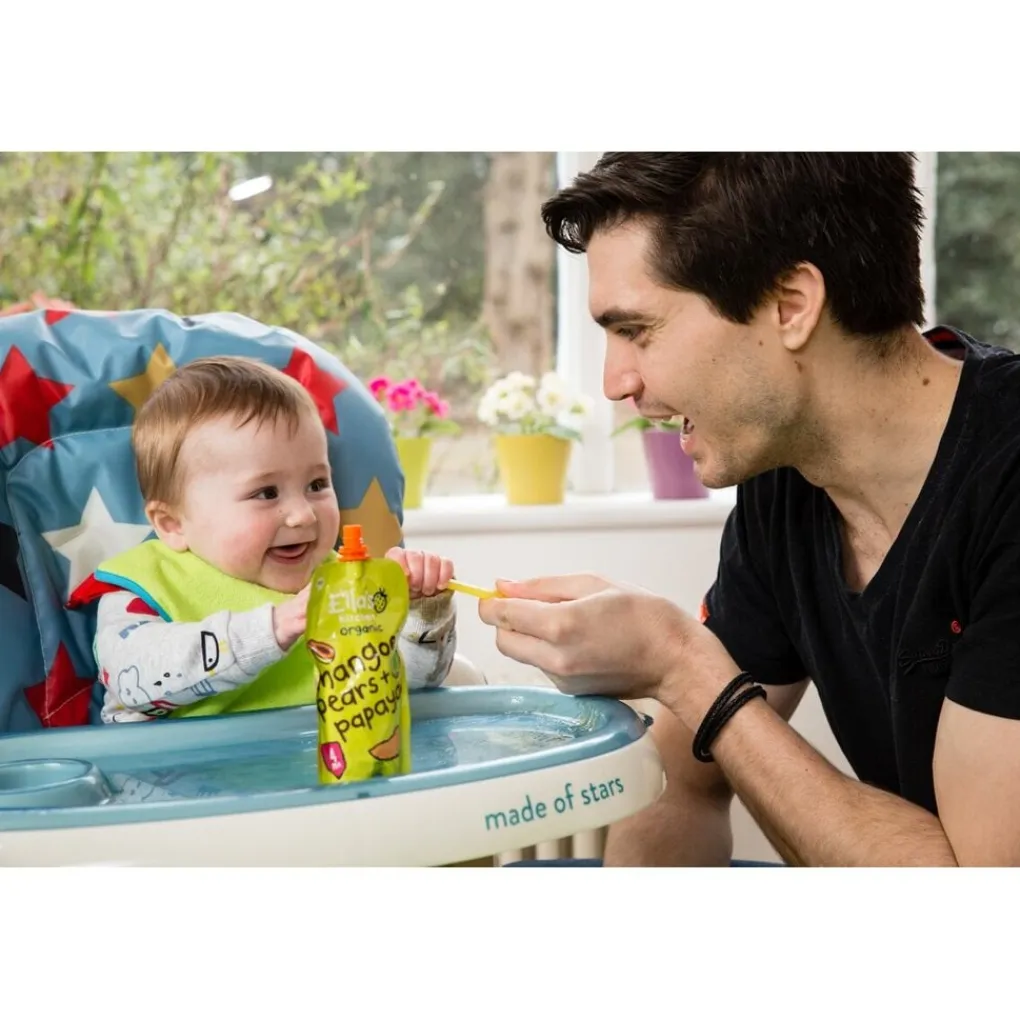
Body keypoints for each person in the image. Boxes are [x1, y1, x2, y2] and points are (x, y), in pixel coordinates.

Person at [480, 152, 1020, 867]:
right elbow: (681, 787)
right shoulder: (788, 475)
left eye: (637, 330)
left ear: (790, 306)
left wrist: (683, 666)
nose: (615, 383)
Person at [78, 356, 457, 722]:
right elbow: (134, 678)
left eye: (317, 484)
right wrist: (272, 628)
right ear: (173, 523)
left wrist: (422, 616)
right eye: (266, 493)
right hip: (178, 767)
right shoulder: (145, 591)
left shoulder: (344, 583)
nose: (303, 515)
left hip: (322, 762)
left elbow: (406, 687)